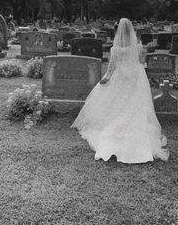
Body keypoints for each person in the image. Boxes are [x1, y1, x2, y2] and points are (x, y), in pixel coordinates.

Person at [71, 18, 169, 164]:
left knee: (118, 102)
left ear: (119, 32)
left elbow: (111, 67)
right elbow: (140, 62)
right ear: (131, 31)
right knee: (134, 103)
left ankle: (115, 128)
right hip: (136, 77)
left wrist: (106, 79)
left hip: (121, 76)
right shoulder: (137, 46)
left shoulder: (115, 49)